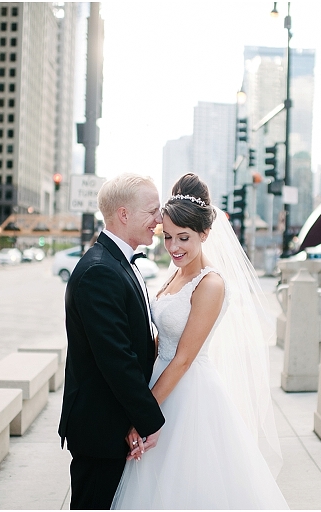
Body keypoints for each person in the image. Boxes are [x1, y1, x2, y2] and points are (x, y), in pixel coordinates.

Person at [112, 173, 289, 509]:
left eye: (184, 238)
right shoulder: (177, 273)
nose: (174, 247)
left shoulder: (210, 284)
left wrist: (144, 414)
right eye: (168, 237)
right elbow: (160, 338)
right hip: (159, 380)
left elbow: (183, 359)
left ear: (205, 234)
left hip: (187, 391)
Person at [58, 173, 166, 510]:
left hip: (114, 421)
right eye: (152, 211)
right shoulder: (99, 271)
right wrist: (150, 420)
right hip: (100, 428)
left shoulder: (118, 262)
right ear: (124, 214)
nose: (160, 219)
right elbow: (117, 359)